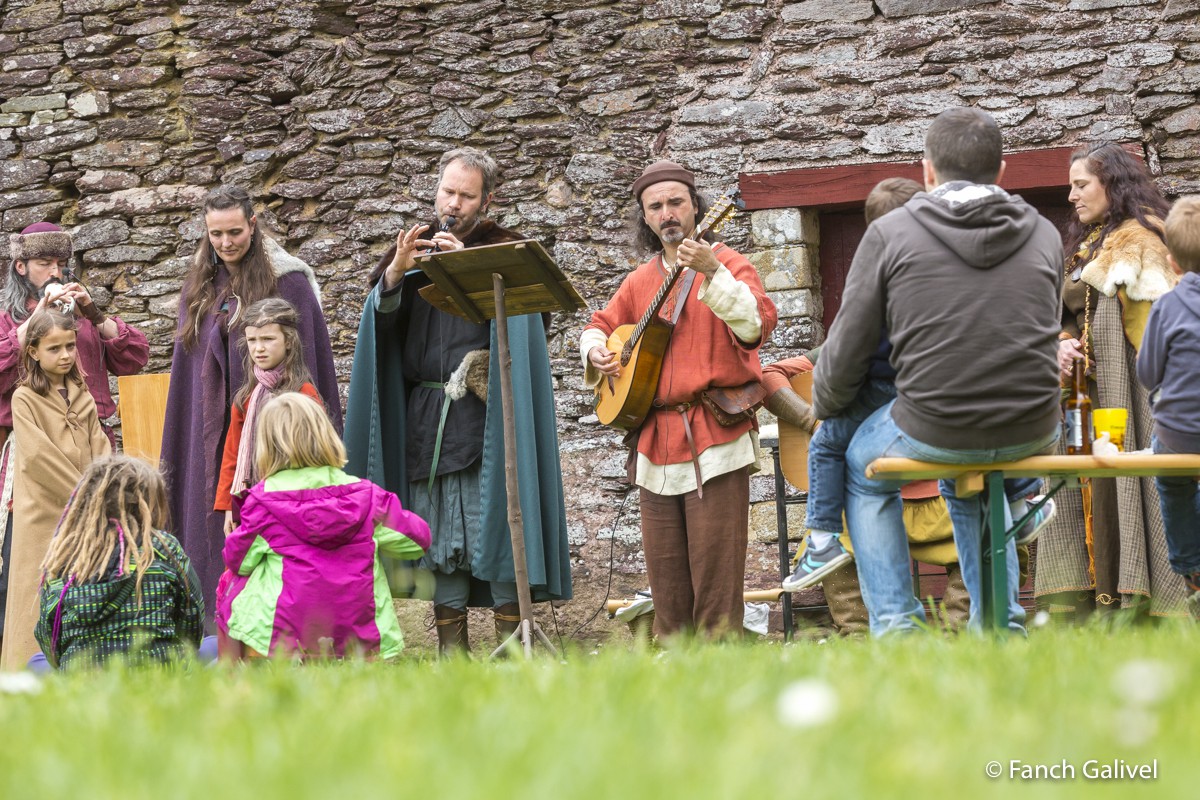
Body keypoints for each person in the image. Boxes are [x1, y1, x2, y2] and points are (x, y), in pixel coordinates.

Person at [814, 108, 1062, 635]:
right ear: (1001, 171)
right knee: (970, 482)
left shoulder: (890, 233)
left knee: (862, 466)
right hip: (1035, 425)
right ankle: (999, 625)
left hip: (936, 421)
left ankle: (896, 628)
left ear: (928, 171)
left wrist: (827, 407)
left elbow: (846, 351)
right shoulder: (1043, 233)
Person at [344, 147, 571, 655]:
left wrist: (466, 268)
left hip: (488, 420)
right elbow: (380, 332)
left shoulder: (505, 250)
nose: (455, 204)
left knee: (493, 523)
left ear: (486, 201)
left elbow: (530, 324)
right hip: (427, 420)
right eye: (448, 192)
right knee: (441, 537)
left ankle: (513, 649)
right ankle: (452, 655)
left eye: (467, 196)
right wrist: (397, 276)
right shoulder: (410, 249)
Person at [581, 159, 778, 639]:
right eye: (656, 206)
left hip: (713, 432)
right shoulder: (639, 280)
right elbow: (599, 325)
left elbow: (756, 326)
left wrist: (713, 273)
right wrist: (598, 352)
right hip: (655, 439)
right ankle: (674, 663)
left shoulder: (729, 264)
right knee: (665, 574)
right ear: (645, 218)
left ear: (695, 208)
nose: (667, 213)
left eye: (676, 202)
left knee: (715, 571)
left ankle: (719, 659)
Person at [160, 186, 341, 620]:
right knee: (210, 528)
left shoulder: (288, 282)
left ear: (253, 225)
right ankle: (211, 622)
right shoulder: (200, 285)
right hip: (211, 432)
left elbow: (310, 363)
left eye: (235, 232)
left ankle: (284, 623)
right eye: (216, 234)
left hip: (272, 432)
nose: (225, 244)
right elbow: (191, 363)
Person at [1035, 143, 1189, 618]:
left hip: (1125, 396)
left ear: (1112, 184)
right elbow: (1070, 314)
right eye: (1072, 185)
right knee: (1090, 489)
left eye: (1081, 184)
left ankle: (1133, 605)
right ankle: (1089, 603)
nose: (1072, 196)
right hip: (1082, 395)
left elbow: (1155, 336)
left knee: (1119, 485)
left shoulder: (1145, 242)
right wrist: (1059, 342)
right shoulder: (1093, 240)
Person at [0, 222, 148, 649]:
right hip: (34, 452)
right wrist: (36, 320)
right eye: (45, 263)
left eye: (61, 263)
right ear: (21, 265)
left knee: (100, 558)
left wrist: (93, 313)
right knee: (30, 559)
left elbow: (134, 357)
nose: (55, 272)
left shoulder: (81, 319)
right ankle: (31, 653)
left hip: (94, 445)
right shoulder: (10, 320)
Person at [774, 178, 922, 592]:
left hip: (885, 387)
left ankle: (821, 541)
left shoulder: (880, 271)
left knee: (825, 444)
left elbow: (850, 352)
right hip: (926, 388)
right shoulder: (938, 263)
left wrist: (825, 406)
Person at [218, 393, 430, 660]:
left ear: (267, 446)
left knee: (236, 579)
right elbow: (418, 539)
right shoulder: (367, 497)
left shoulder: (261, 502)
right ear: (326, 436)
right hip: (358, 633)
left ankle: (237, 664)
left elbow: (239, 561)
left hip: (286, 635)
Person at [2, 310, 112, 669]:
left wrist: (105, 488)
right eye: (54, 348)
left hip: (87, 511)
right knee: (37, 591)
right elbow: (38, 457)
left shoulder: (81, 393)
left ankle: (80, 668)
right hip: (46, 515)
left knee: (81, 590)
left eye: (70, 346)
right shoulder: (25, 398)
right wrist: (85, 496)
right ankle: (24, 669)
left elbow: (101, 447)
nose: (66, 355)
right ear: (33, 351)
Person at [33, 456, 205, 670]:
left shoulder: (64, 560)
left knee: (36, 663)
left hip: (83, 686)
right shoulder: (163, 548)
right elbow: (192, 626)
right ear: (148, 504)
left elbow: (50, 643)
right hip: (158, 682)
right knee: (213, 646)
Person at [214, 298, 324, 533]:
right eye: (252, 340)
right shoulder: (246, 398)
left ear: (289, 342)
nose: (258, 348)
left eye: (268, 339)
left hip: (296, 503)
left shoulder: (304, 393)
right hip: (250, 504)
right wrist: (227, 506)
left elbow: (319, 454)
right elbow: (232, 455)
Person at [1136, 196, 1200, 597]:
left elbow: (1147, 374)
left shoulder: (1168, 306)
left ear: (1173, 263)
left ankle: (1192, 569)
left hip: (1177, 436)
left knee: (1174, 486)